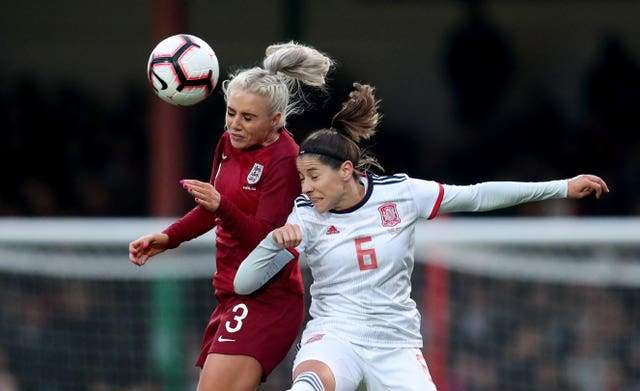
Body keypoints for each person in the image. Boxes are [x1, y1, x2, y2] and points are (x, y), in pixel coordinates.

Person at [233, 83, 609, 391]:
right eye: (302, 178)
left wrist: (560, 187)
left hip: (395, 343)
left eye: (314, 176)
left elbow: (477, 196)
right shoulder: (303, 216)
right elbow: (244, 283)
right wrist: (272, 243)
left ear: (346, 170)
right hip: (334, 335)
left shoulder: (402, 193)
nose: (307, 187)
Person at [128, 41, 334, 391]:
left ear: (276, 120)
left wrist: (222, 205)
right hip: (229, 294)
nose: (235, 125)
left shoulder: (285, 160)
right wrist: (170, 237)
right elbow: (213, 208)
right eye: (231, 113)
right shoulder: (228, 143)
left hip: (267, 298)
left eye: (248, 117)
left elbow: (267, 241)